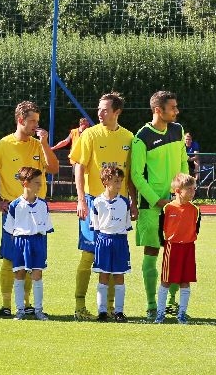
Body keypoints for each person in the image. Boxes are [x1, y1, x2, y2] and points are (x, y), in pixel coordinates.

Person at [0, 101, 58, 317]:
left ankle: (26, 303)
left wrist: (45, 144)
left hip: (36, 210)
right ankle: (6, 305)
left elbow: (53, 168)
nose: (36, 125)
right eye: (32, 121)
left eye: (37, 121)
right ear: (20, 120)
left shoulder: (38, 145)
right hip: (13, 210)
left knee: (32, 259)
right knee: (10, 257)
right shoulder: (3, 145)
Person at [70, 93, 134, 321]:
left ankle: (109, 310)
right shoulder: (89, 134)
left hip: (119, 205)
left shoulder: (128, 137)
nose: (100, 113)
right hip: (93, 202)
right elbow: (79, 166)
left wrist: (132, 201)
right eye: (99, 109)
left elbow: (131, 174)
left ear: (117, 112)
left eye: (105, 109)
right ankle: (79, 306)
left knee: (114, 259)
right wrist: (80, 200)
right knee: (89, 254)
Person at [130, 91, 188, 320]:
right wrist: (157, 200)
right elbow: (136, 175)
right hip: (151, 207)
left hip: (177, 205)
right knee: (152, 252)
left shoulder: (178, 130)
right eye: (172, 107)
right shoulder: (141, 137)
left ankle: (173, 303)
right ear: (158, 110)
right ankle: (152, 304)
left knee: (176, 252)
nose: (176, 111)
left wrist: (182, 192)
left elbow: (183, 162)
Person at [4, 167, 54, 321]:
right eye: (37, 182)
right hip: (20, 242)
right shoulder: (15, 205)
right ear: (25, 183)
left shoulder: (43, 205)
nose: (40, 185)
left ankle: (39, 310)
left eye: (41, 182)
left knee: (37, 275)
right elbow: (10, 229)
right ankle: (20, 310)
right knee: (19, 275)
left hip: (37, 242)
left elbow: (46, 227)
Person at [86, 166, 133, 322]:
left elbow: (126, 226)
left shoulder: (125, 202)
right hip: (103, 240)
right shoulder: (97, 202)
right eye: (115, 181)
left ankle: (119, 312)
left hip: (120, 241)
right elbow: (96, 226)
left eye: (120, 181)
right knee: (103, 276)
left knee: (119, 276)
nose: (119, 185)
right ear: (105, 181)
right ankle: (102, 312)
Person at [155, 173, 200, 324]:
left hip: (188, 248)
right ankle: (160, 313)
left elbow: (196, 228)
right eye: (190, 189)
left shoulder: (195, 210)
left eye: (194, 189)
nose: (193, 192)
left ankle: (182, 314)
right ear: (178, 191)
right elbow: (160, 228)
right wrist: (166, 243)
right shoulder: (167, 208)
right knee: (166, 281)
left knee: (185, 281)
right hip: (171, 248)